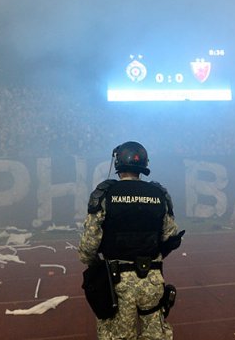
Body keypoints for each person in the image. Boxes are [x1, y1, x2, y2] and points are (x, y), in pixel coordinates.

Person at [79, 141, 184, 339]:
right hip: (152, 279)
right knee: (155, 335)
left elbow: (89, 243)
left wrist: (92, 263)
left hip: (117, 282)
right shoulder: (159, 194)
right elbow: (170, 235)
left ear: (118, 163)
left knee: (119, 336)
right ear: (144, 164)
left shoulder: (105, 194)